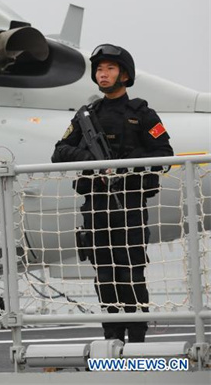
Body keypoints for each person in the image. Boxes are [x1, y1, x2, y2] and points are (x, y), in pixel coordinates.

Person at [52, 44, 173, 343]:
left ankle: (137, 339)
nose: (103, 74)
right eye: (99, 69)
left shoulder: (143, 114)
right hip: (96, 204)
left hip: (129, 203)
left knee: (131, 270)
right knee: (103, 272)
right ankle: (111, 336)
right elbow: (59, 152)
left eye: (110, 69)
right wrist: (92, 161)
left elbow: (163, 154)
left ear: (125, 75)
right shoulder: (87, 115)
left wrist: (126, 167)